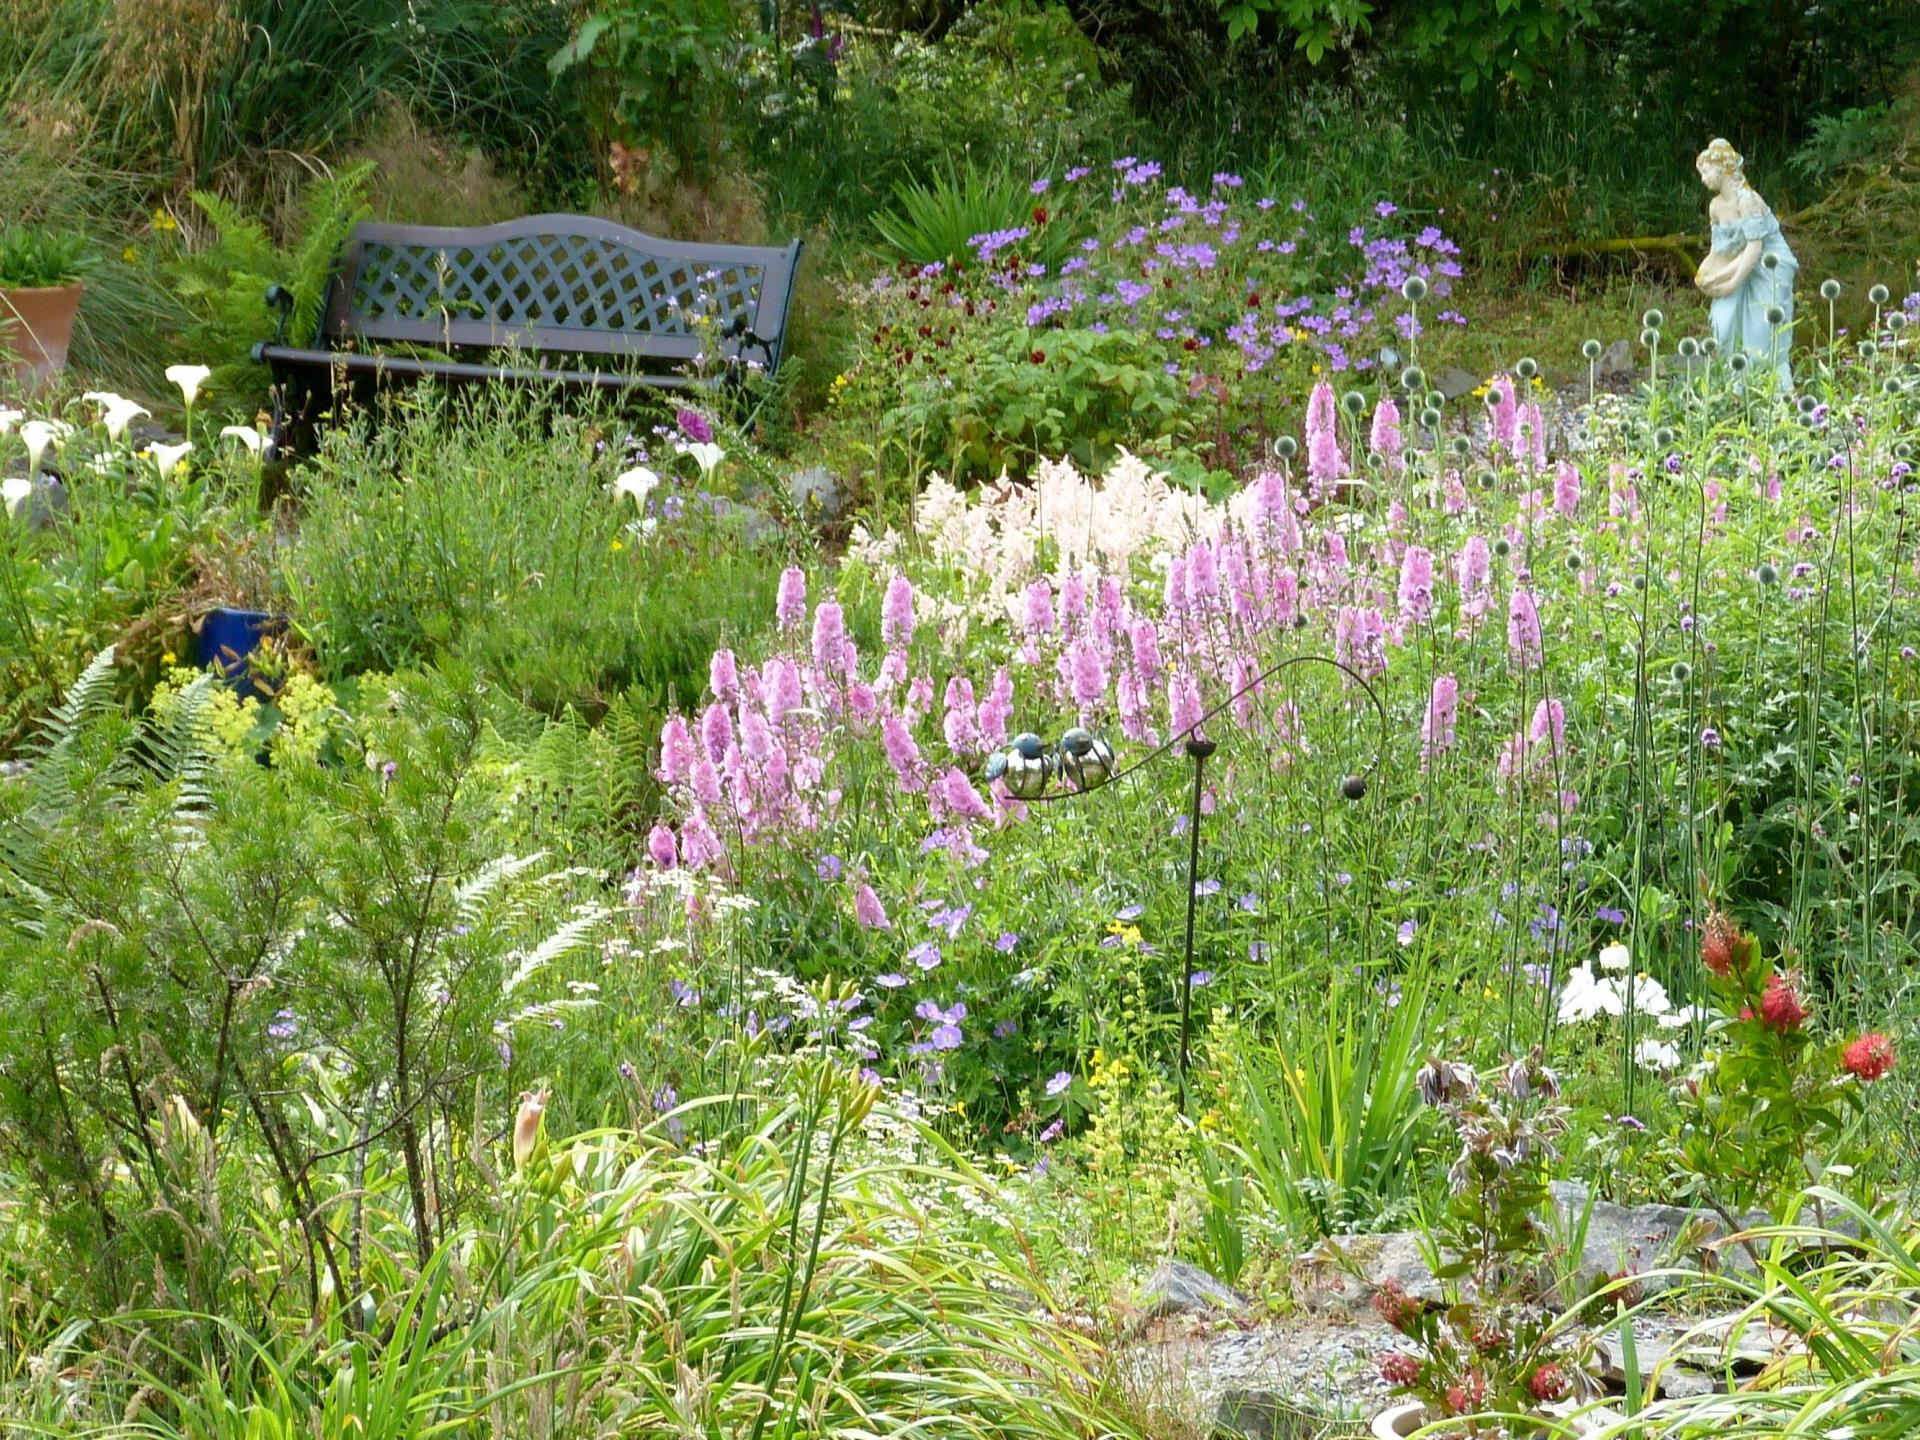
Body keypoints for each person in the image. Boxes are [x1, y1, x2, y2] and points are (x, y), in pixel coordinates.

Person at [1693, 137, 1798, 391]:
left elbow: (1754, 250)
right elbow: (1720, 250)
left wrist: (1727, 283)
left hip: (1769, 267)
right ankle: (1733, 388)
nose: (1703, 178)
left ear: (1721, 168)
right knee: (1721, 321)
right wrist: (1705, 275)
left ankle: (1773, 393)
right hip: (1741, 266)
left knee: (1762, 334)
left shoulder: (1747, 201)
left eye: (1705, 171)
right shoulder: (1716, 207)